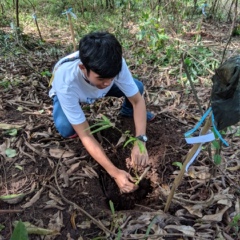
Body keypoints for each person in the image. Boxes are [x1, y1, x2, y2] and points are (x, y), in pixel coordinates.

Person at [49, 31, 155, 193]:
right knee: (65, 127)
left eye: (111, 77)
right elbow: (86, 134)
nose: (107, 83)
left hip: (92, 86)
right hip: (74, 92)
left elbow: (137, 100)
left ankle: (127, 112)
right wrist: (115, 173)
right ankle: (72, 114)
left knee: (137, 88)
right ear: (83, 68)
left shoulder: (114, 65)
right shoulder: (66, 82)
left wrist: (140, 140)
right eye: (101, 78)